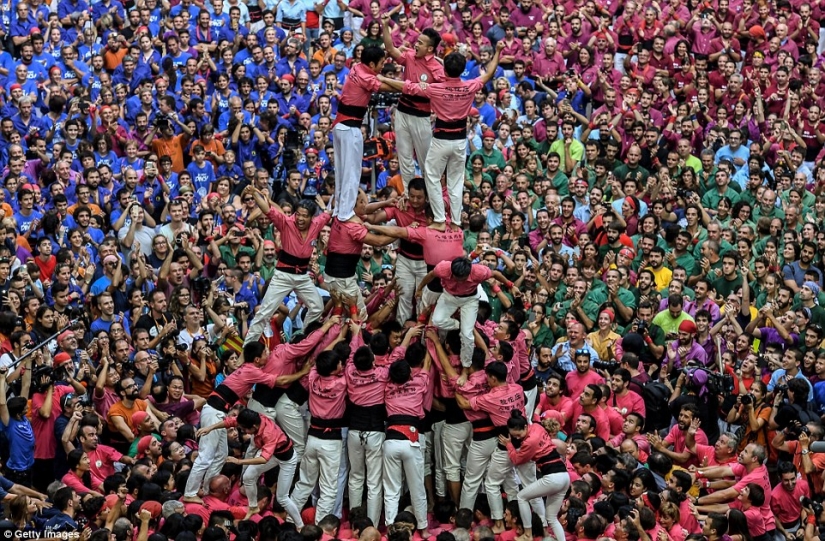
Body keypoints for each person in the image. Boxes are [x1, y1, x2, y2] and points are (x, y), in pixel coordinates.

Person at [379, 42, 505, 229]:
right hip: (460, 140)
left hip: (441, 139)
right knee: (455, 182)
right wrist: (498, 51)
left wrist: (383, 78)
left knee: (431, 176)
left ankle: (439, 219)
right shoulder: (470, 85)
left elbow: (406, 87)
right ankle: (454, 221)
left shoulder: (435, 88)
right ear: (462, 70)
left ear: (443, 70)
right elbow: (489, 73)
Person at [244, 187, 331, 343]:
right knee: (265, 312)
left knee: (318, 307)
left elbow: (329, 214)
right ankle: (248, 347)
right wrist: (254, 194)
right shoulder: (286, 222)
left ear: (311, 217)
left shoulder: (317, 223)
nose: (300, 219)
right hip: (283, 275)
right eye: (298, 214)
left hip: (303, 276)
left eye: (305, 216)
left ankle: (302, 337)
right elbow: (267, 209)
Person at [196, 408, 303, 525]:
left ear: (254, 427)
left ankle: (299, 525)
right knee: (247, 476)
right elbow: (230, 421)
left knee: (282, 498)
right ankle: (253, 506)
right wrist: (209, 428)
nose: (243, 432)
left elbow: (263, 459)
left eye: (244, 429)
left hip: (286, 459)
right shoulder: (253, 420)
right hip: (272, 454)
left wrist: (239, 461)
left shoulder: (268, 433)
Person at [417, 257, 519, 369]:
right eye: (457, 278)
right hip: (449, 296)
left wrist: (511, 285)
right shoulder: (443, 268)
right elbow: (431, 275)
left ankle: (466, 366)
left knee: (467, 335)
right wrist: (419, 288)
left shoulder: (478, 271)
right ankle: (462, 324)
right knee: (437, 320)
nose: (460, 281)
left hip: (469, 299)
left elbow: (495, 274)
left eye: (463, 279)